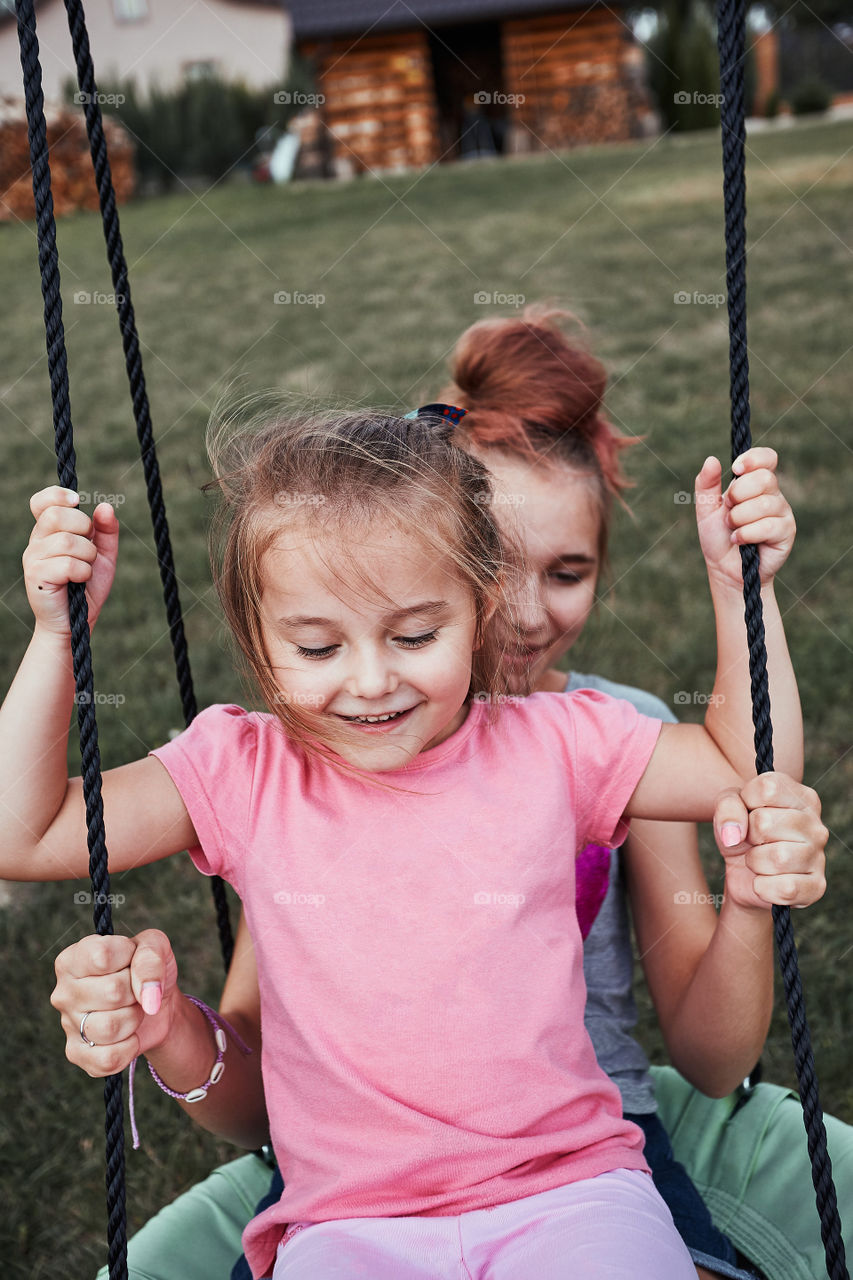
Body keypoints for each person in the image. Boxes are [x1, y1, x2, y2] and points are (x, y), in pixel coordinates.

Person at [50, 311, 840, 1280]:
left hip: (573, 1170)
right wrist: (170, 1025)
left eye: (570, 572)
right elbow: (248, 1089)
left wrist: (741, 592)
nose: (523, 610)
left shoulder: (594, 738)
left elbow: (740, 783)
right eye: (499, 569)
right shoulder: (279, 779)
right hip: (355, 1195)